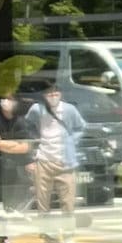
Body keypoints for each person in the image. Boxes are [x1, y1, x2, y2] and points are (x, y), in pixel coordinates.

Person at [23, 83, 87, 225]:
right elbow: (27, 125)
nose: (53, 96)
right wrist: (35, 140)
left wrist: (71, 141)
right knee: (42, 201)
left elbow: (81, 126)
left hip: (65, 162)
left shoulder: (69, 109)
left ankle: (68, 233)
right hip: (43, 160)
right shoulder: (37, 109)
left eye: (56, 93)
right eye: (49, 93)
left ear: (60, 94)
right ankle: (45, 232)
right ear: (44, 95)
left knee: (68, 202)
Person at [0, 91, 32, 243]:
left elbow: (25, 147)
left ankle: (2, 238)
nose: (6, 102)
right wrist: (13, 146)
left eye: (9, 99)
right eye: (3, 99)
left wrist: (4, 145)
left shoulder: (21, 122)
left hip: (12, 170)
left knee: (7, 206)